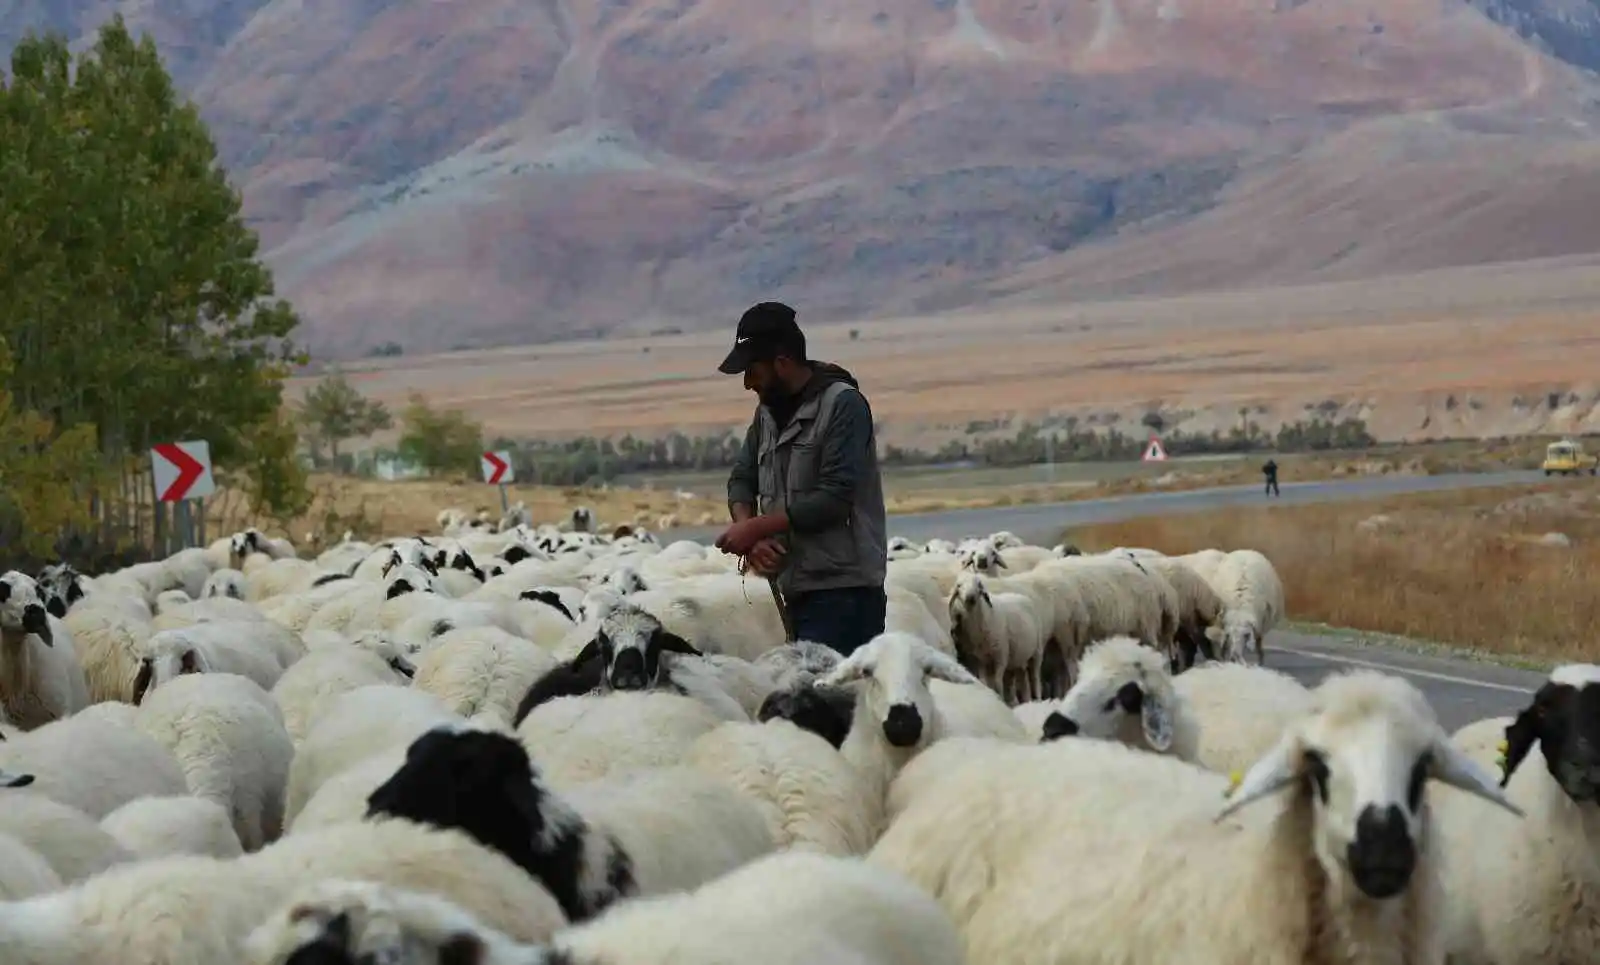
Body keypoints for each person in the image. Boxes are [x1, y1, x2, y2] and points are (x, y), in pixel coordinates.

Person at [715, 301, 888, 656]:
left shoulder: (843, 406)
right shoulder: (767, 414)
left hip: (844, 593)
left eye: (752, 370)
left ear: (782, 363)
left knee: (828, 705)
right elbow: (741, 478)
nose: (748, 383)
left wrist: (757, 528)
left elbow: (835, 499)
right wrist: (752, 536)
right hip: (795, 588)